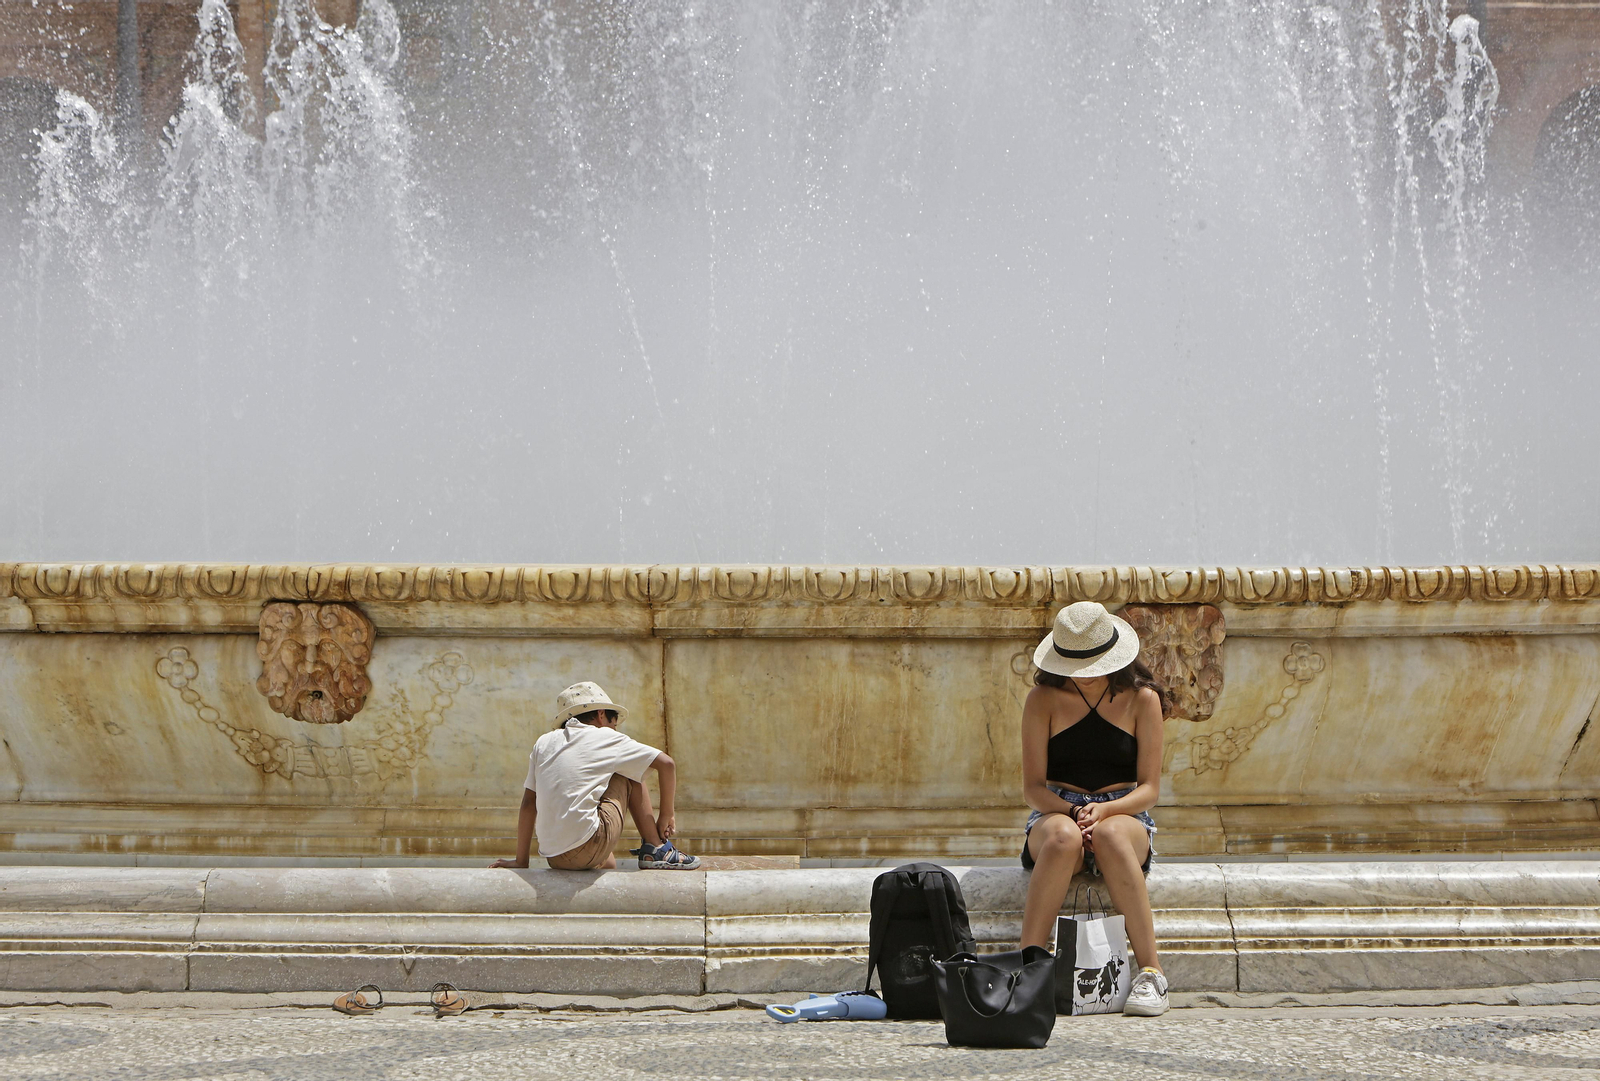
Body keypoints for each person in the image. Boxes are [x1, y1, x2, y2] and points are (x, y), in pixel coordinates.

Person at [1019, 601, 1174, 1017]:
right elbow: (1033, 789)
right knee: (1062, 837)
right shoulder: (1042, 699)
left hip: (1124, 813)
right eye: (1075, 664)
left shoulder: (1143, 700)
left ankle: (1152, 974)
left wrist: (1105, 812)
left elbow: (1149, 789)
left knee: (1110, 834)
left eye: (1092, 663)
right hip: (1057, 809)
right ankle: (1028, 971)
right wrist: (1073, 812)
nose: (1084, 673)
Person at [490, 681, 701, 871]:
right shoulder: (606, 737)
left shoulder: (543, 742)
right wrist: (666, 815)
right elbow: (667, 764)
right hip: (586, 847)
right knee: (629, 769)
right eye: (614, 724)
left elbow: (528, 803)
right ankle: (656, 848)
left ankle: (602, 857)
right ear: (601, 714)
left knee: (609, 863)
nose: (614, 730)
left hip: (554, 857)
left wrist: (521, 861)